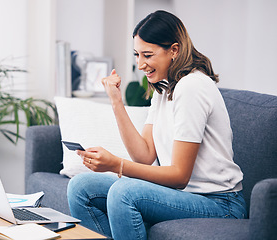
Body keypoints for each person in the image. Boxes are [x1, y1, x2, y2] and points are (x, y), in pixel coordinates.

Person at [67, 10, 247, 240]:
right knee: (81, 187)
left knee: (124, 192)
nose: (140, 64)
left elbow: (180, 175)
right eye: (137, 54)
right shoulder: (163, 89)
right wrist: (116, 101)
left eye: (148, 55)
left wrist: (116, 164)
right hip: (184, 195)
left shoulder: (191, 87)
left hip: (221, 204)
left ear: (174, 50)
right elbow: (144, 156)